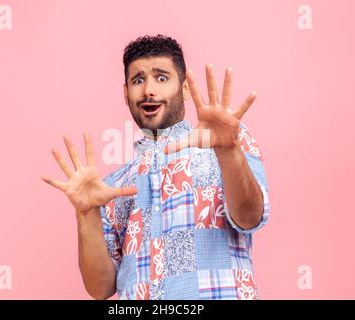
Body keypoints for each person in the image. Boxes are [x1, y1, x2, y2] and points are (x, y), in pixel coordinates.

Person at [42, 34, 270, 300]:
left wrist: (228, 150)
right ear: (126, 93)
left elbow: (250, 217)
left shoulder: (226, 144)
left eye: (162, 78)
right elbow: (101, 287)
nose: (149, 90)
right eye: (138, 80)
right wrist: (86, 213)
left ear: (184, 89)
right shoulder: (115, 185)